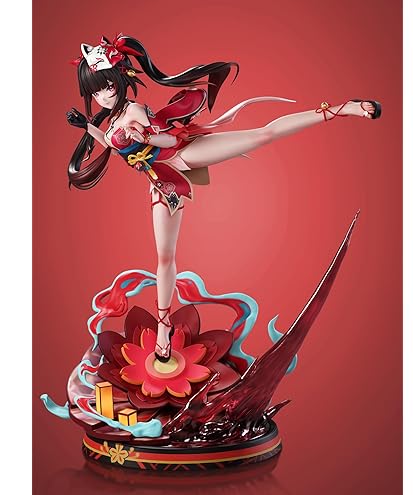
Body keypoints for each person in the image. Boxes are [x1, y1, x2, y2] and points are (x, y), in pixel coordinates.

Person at [66, 34, 381, 362]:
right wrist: (87, 127)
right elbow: (112, 142)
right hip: (162, 183)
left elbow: (168, 139)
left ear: (122, 77)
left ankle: (344, 109)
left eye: (108, 87)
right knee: (164, 258)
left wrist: (145, 135)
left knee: (262, 135)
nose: (103, 95)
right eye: (96, 91)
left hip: (184, 155)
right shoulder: (114, 119)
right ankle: (164, 328)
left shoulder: (133, 110)